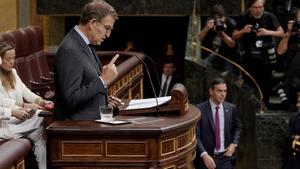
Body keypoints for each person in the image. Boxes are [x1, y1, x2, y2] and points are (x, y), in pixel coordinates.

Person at [54, 0, 122, 120]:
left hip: (90, 125)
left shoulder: (85, 44)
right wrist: (102, 81)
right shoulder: (70, 50)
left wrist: (105, 102)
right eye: (107, 28)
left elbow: (85, 87)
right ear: (93, 23)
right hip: (77, 131)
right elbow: (70, 100)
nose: (108, 34)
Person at [0, 41, 54, 169]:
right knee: (39, 119)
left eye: (13, 58)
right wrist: (20, 108)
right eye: (8, 59)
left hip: (20, 120)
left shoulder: (13, 72)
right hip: (6, 124)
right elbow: (3, 103)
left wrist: (41, 101)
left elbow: (25, 91)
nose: (12, 62)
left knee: (39, 132)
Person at [232, 0, 285, 108]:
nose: (258, 10)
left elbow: (282, 33)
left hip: (266, 57)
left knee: (266, 84)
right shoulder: (244, 17)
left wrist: (268, 32)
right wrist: (243, 31)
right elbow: (234, 36)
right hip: (249, 57)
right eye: (255, 7)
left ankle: (264, 105)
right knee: (250, 84)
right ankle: (252, 107)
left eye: (261, 7)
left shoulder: (269, 16)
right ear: (250, 8)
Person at [194, 77, 241, 169]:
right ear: (211, 91)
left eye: (225, 91)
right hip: (207, 159)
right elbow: (195, 136)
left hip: (226, 158)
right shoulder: (199, 109)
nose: (223, 94)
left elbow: (237, 127)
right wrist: (204, 154)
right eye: (219, 91)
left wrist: (234, 143)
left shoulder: (231, 108)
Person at [198, 4, 238, 74]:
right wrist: (206, 28)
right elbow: (199, 39)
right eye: (216, 18)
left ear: (224, 16)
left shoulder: (231, 23)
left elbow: (232, 44)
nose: (219, 21)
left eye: (221, 17)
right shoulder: (210, 22)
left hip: (228, 56)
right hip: (212, 55)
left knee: (228, 76)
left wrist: (222, 33)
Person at [276, 9, 300, 111]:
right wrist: (288, 33)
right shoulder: (291, 35)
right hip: (292, 79)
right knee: (292, 109)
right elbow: (280, 51)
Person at [284, 93, 300, 169]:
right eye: (298, 102)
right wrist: (294, 137)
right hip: (295, 157)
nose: (297, 105)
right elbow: (288, 135)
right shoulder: (294, 117)